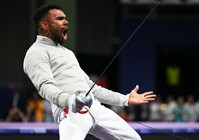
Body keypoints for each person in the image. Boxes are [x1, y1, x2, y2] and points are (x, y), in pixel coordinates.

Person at [23, 4, 156, 140]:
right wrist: (69, 100)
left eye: (65, 18)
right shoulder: (36, 52)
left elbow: (92, 88)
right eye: (60, 18)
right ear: (45, 25)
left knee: (134, 139)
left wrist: (125, 99)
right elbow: (45, 86)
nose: (66, 21)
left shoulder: (67, 53)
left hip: (95, 108)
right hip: (70, 112)